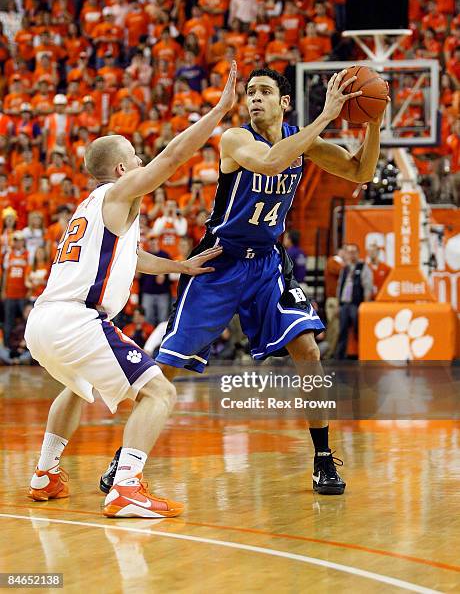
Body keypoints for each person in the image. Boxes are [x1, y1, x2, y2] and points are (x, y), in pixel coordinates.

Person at [101, 67, 387, 495]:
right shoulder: (235, 139)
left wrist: (375, 122)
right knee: (168, 367)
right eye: (250, 92)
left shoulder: (301, 140)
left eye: (265, 92)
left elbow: (360, 172)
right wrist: (327, 116)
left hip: (267, 265)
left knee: (308, 350)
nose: (254, 98)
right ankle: (125, 459)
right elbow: (271, 163)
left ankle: (323, 458)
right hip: (219, 264)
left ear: (283, 103)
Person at [25, 62, 238, 518]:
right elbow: (173, 157)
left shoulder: (92, 209)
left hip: (42, 322)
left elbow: (134, 258)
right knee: (160, 393)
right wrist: (219, 110)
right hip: (77, 321)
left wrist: (180, 265)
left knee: (76, 387)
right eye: (137, 158)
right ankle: (127, 486)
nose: (144, 162)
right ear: (123, 169)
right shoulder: (119, 193)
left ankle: (45, 474)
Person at [335, 244, 373, 360]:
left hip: (356, 304)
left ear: (358, 253)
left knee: (359, 331)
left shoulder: (363, 267)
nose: (351, 254)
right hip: (344, 304)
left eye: (354, 252)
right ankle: (340, 357)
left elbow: (367, 287)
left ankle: (364, 354)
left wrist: (365, 306)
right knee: (342, 331)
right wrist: (338, 304)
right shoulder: (345, 269)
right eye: (349, 252)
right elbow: (340, 286)